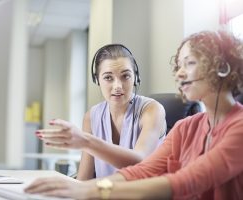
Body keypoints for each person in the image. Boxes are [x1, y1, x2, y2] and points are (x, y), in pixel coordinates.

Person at [25, 30, 243, 199]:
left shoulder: (239, 127)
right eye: (179, 65)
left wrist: (90, 191)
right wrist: (75, 188)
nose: (179, 73)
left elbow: (187, 181)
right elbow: (142, 171)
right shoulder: (185, 128)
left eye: (190, 63)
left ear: (221, 68)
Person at [36, 44, 166, 180]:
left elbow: (140, 162)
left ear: (135, 77)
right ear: (97, 79)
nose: (118, 86)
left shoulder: (152, 110)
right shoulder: (91, 117)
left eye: (125, 76)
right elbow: (83, 180)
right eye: (108, 78)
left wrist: (86, 141)